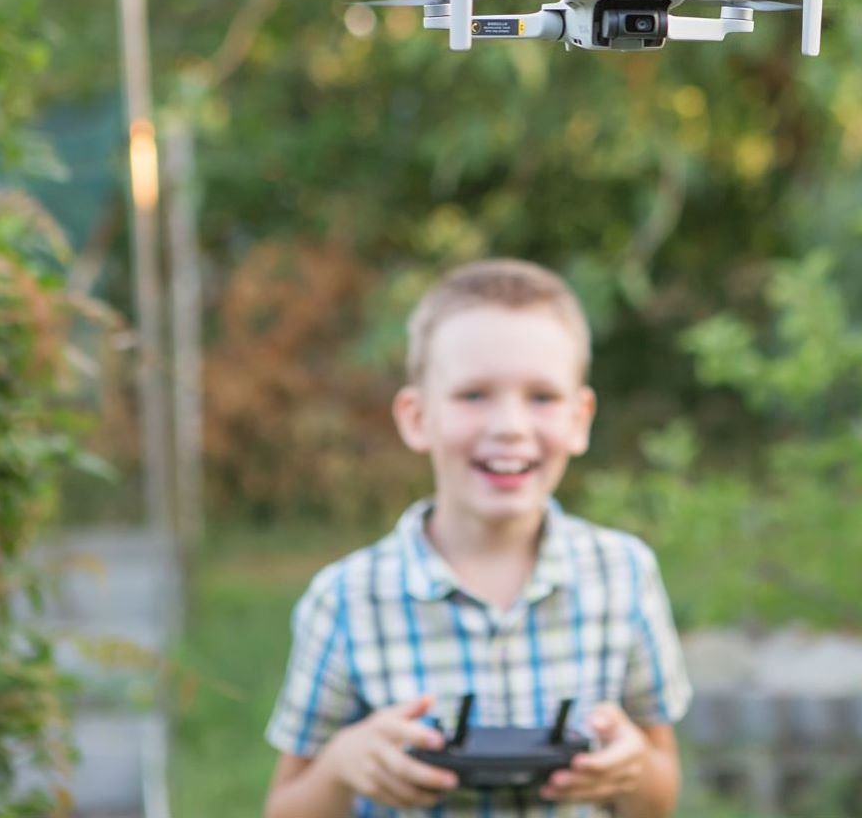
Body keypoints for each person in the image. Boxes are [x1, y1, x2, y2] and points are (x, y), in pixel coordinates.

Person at [262, 259, 690, 818]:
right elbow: (284, 808)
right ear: (417, 418)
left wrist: (628, 771)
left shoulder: (624, 576)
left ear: (580, 418)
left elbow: (659, 796)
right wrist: (343, 764)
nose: (510, 425)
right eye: (473, 395)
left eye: (542, 397)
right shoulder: (346, 599)